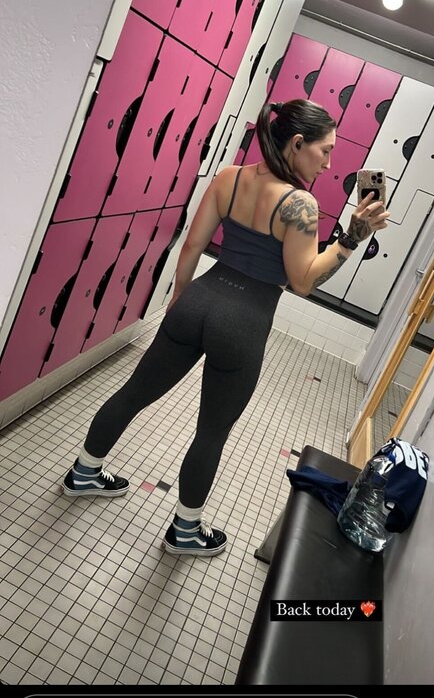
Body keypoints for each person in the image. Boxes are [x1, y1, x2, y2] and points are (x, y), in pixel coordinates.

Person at [62, 98, 389, 557]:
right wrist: (350, 239)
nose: (329, 164)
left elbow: (192, 245)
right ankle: (185, 532)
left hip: (198, 298)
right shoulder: (300, 204)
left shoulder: (228, 176)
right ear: (297, 144)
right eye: (325, 150)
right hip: (244, 320)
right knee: (211, 432)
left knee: (133, 393)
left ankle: (84, 472)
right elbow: (302, 282)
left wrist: (180, 300)